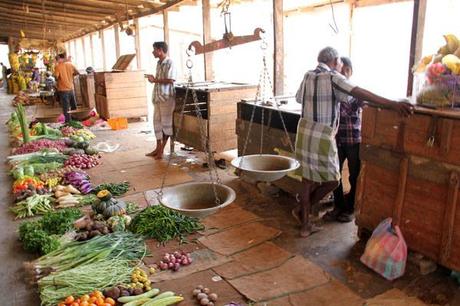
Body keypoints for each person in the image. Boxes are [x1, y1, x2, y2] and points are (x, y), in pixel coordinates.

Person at [293, 47, 413, 237]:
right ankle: (302, 211)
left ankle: (305, 223)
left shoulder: (308, 75)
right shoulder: (332, 76)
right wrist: (392, 104)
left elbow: (299, 98)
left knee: (307, 180)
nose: (341, 67)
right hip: (322, 135)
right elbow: (359, 92)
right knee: (333, 180)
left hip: (304, 132)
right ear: (334, 61)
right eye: (340, 63)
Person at [325, 57, 362, 223]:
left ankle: (351, 209)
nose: (344, 74)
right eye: (342, 71)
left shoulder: (355, 92)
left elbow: (366, 104)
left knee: (354, 176)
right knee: (335, 175)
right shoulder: (335, 90)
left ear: (351, 72)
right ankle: (338, 205)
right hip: (338, 140)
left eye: (347, 71)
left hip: (354, 140)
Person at [146, 41, 176, 160]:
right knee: (157, 123)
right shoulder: (159, 63)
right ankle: (157, 148)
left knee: (166, 125)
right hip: (158, 97)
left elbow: (171, 79)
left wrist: (155, 80)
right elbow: (161, 79)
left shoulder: (170, 62)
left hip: (167, 97)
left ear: (160, 50)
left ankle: (161, 150)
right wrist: (154, 79)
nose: (153, 52)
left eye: (154, 49)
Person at [54, 53, 79, 122]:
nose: (56, 60)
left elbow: (56, 77)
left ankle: (68, 122)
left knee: (66, 107)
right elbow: (77, 72)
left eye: (57, 59)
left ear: (60, 58)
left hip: (63, 89)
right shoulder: (70, 64)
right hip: (71, 88)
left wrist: (60, 78)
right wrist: (70, 76)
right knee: (73, 106)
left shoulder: (58, 66)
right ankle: (76, 120)